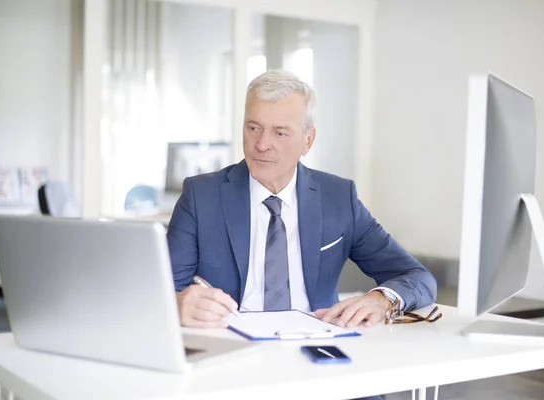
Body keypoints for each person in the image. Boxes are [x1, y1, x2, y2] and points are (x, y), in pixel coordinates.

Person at [167, 70, 437, 330]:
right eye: (253, 127)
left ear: (308, 140)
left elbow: (418, 277)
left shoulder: (338, 198)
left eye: (280, 132)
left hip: (318, 349)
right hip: (231, 347)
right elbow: (159, 292)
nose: (261, 144)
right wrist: (177, 303)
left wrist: (381, 301)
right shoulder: (201, 197)